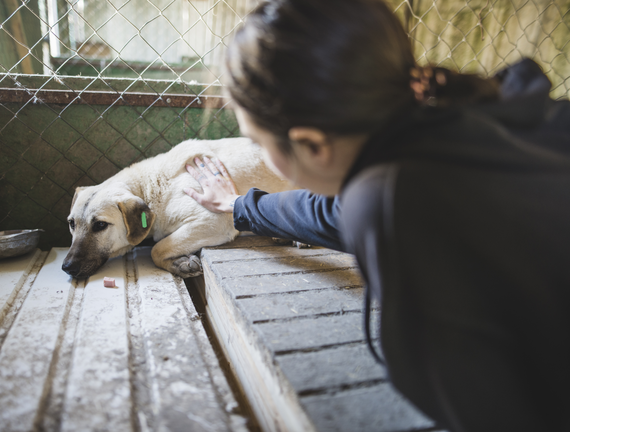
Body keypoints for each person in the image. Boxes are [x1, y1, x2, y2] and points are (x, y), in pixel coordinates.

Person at [183, 1, 569, 431]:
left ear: (311, 144)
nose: (265, 160)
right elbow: (329, 212)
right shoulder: (476, 116)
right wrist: (241, 206)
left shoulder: (389, 198)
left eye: (258, 142)